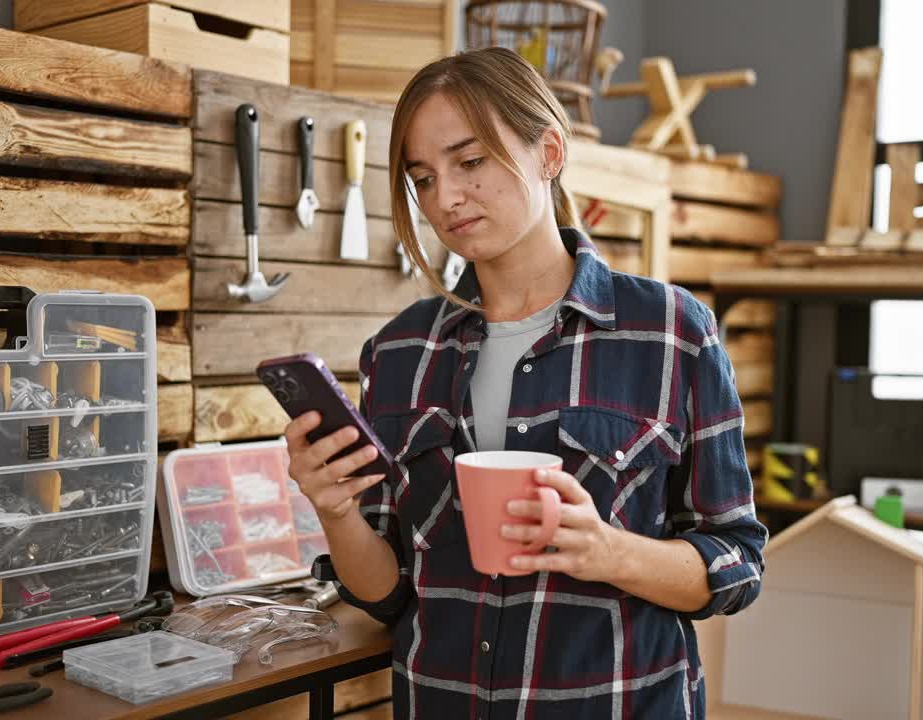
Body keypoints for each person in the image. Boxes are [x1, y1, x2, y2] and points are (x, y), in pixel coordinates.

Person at [285, 47, 767, 720]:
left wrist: (609, 552)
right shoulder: (399, 352)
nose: (444, 198)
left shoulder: (671, 333)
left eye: (471, 161)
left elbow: (736, 564)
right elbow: (390, 595)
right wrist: (333, 510)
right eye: (422, 178)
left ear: (549, 151)